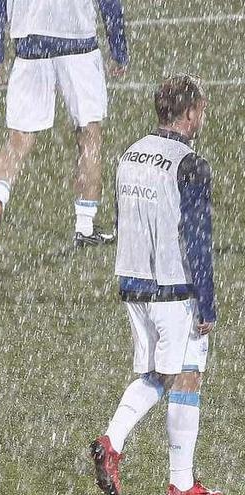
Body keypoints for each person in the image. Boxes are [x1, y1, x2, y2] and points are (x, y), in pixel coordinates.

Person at [90, 75, 221, 495]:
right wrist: (207, 304)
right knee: (181, 376)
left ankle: (179, 483)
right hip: (174, 288)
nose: (202, 115)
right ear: (188, 114)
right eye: (199, 108)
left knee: (166, 374)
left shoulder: (130, 155)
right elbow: (198, 240)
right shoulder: (190, 164)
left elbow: (121, 216)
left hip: (133, 282)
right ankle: (114, 443)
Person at [0, 0, 128, 255]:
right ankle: (85, 225)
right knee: (89, 137)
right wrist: (119, 50)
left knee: (18, 141)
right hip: (78, 44)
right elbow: (110, 5)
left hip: (30, 46)